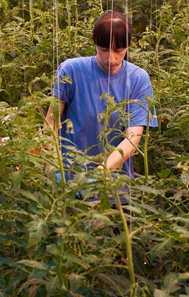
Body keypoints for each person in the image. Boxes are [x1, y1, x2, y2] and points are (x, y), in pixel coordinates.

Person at [49, 11, 157, 179]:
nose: (111, 58)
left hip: (114, 186)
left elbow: (132, 139)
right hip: (68, 180)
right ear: (95, 44)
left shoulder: (138, 79)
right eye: (104, 49)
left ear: (128, 47)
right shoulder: (71, 71)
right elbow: (51, 124)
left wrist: (99, 174)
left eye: (119, 50)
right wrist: (50, 166)